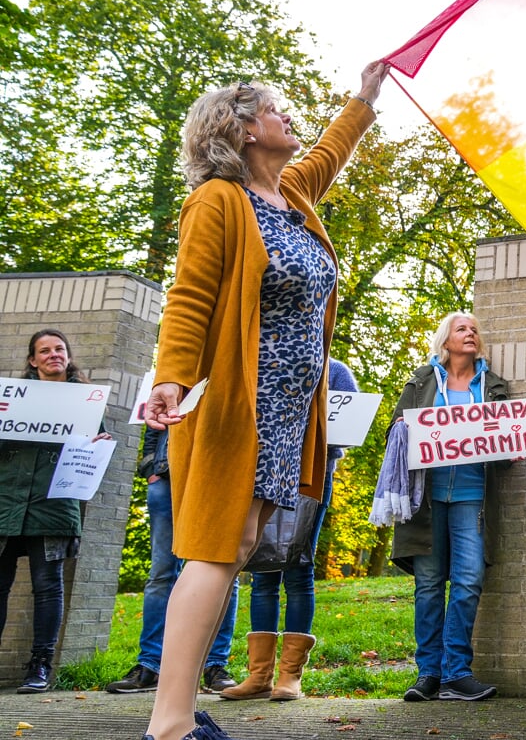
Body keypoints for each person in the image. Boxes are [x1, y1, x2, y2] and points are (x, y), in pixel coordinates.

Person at [141, 61, 388, 740]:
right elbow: (189, 295)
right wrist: (172, 376)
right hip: (235, 403)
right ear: (244, 129)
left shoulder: (292, 195)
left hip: (284, 411)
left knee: (237, 542)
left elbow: (331, 151)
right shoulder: (218, 202)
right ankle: (169, 721)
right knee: (216, 547)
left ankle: (177, 712)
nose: (289, 119)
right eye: (276, 110)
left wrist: (364, 98)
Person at [389, 312, 509, 703]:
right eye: (462, 329)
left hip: (472, 497)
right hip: (426, 499)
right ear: (446, 340)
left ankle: (457, 673)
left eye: (475, 329)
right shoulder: (421, 381)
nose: (471, 333)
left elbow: (507, 444)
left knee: (469, 579)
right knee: (427, 584)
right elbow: (396, 434)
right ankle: (429, 675)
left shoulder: (494, 387)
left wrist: (516, 448)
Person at [221, 358, 356, 702]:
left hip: (314, 473)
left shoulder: (336, 372)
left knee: (298, 567)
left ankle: (290, 677)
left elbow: (348, 429)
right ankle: (259, 675)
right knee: (263, 568)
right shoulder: (267, 363)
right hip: (265, 469)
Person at [0, 329, 112, 693]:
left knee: (48, 588)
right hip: (6, 503)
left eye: (59, 349)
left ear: (68, 355)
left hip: (54, 506)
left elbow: (96, 449)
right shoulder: (13, 399)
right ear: (33, 360)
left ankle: (40, 666)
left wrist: (100, 445)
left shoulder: (86, 402)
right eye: (44, 351)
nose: (53, 355)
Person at [105, 427, 239, 695]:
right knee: (161, 572)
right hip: (167, 475)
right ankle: (150, 665)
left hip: (220, 471)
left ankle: (214, 666)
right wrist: (151, 469)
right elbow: (155, 424)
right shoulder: (171, 382)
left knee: (221, 569)